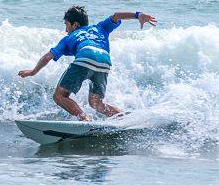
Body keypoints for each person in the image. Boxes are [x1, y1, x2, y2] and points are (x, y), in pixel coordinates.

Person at [18, 6, 157, 121]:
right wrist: (138, 15)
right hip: (105, 62)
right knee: (96, 103)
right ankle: (125, 118)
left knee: (59, 96)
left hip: (85, 57)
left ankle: (84, 118)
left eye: (66, 25)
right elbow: (117, 15)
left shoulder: (69, 38)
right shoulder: (100, 27)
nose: (66, 30)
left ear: (75, 24)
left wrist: (32, 72)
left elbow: (48, 56)